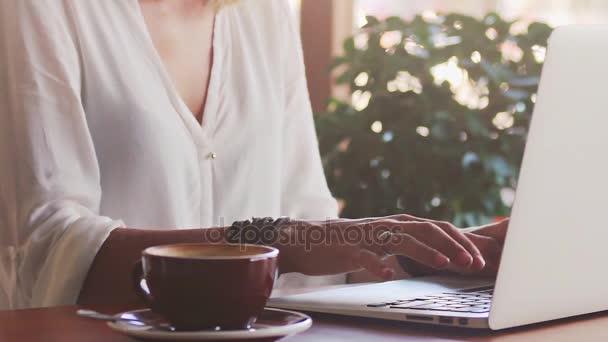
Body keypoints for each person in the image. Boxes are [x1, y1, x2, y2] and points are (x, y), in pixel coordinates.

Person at [0, 0, 508, 310]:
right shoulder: (38, 9)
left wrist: (442, 255)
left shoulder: (261, 11)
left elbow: (314, 237)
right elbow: (50, 250)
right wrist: (274, 240)